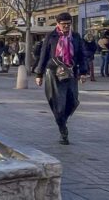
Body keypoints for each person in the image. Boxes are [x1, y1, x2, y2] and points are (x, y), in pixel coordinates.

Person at [34, 12, 88, 145]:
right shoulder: (51, 36)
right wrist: (39, 74)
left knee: (74, 101)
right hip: (53, 73)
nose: (66, 27)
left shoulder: (75, 37)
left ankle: (62, 119)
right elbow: (44, 55)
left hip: (71, 72)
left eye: (68, 24)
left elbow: (81, 54)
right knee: (58, 104)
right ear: (58, 24)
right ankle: (63, 130)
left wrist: (83, 72)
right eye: (63, 24)